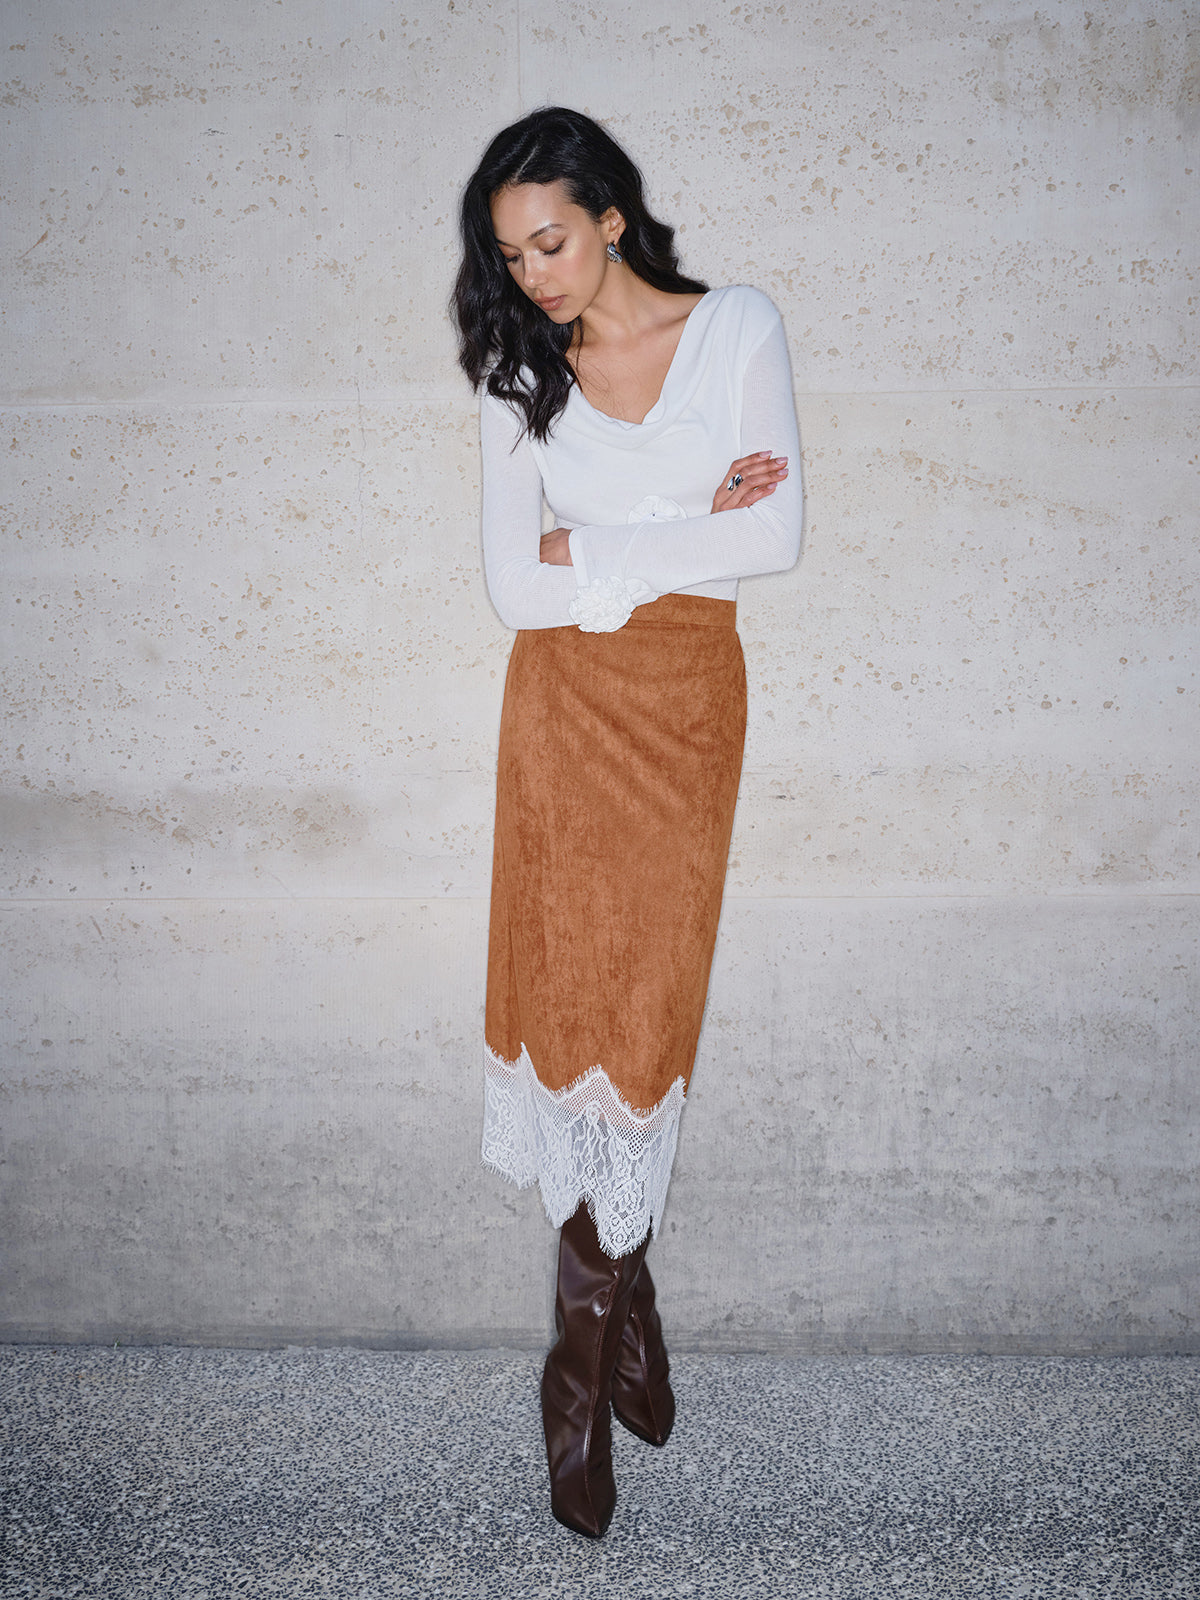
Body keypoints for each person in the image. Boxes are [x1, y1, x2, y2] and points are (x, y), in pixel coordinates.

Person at [453, 106, 803, 1538]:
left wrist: (590, 545)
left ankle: (599, 1341)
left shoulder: (736, 329)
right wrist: (678, 534)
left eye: (550, 241)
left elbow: (772, 538)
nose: (531, 275)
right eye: (510, 255)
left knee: (644, 1021)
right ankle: (591, 1371)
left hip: (683, 707)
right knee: (574, 1007)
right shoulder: (514, 367)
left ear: (610, 217)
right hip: (559, 712)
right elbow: (510, 589)